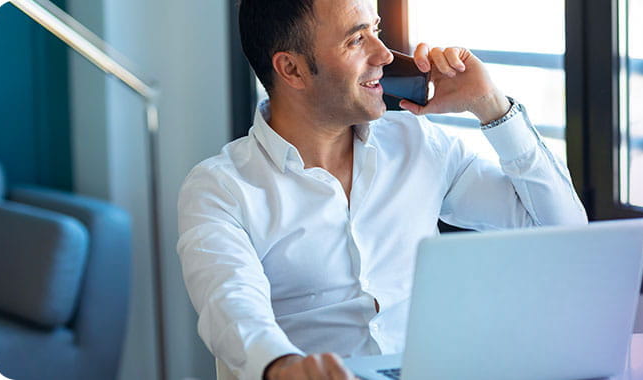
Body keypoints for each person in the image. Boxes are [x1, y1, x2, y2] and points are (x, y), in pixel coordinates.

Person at [176, 0, 587, 378]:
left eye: (376, 30)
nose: (385, 55)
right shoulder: (220, 188)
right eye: (356, 39)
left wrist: (491, 105)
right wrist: (283, 366)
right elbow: (230, 303)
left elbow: (564, 231)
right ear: (292, 69)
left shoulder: (419, 143)